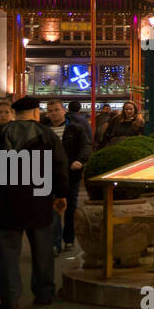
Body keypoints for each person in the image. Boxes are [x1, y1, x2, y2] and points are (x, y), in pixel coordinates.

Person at [0, 95, 68, 309]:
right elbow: (59, 166)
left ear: (15, 113)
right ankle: (44, 294)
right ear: (36, 113)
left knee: (8, 253)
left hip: (7, 199)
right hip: (40, 200)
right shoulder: (47, 135)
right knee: (43, 250)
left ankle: (9, 298)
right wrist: (61, 194)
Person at [44, 99, 91, 253]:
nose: (53, 114)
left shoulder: (75, 129)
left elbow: (86, 146)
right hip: (49, 176)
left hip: (71, 175)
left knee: (70, 207)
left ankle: (69, 238)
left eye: (56, 110)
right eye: (50, 111)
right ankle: (55, 242)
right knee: (53, 209)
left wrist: (79, 160)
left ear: (63, 110)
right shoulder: (43, 130)